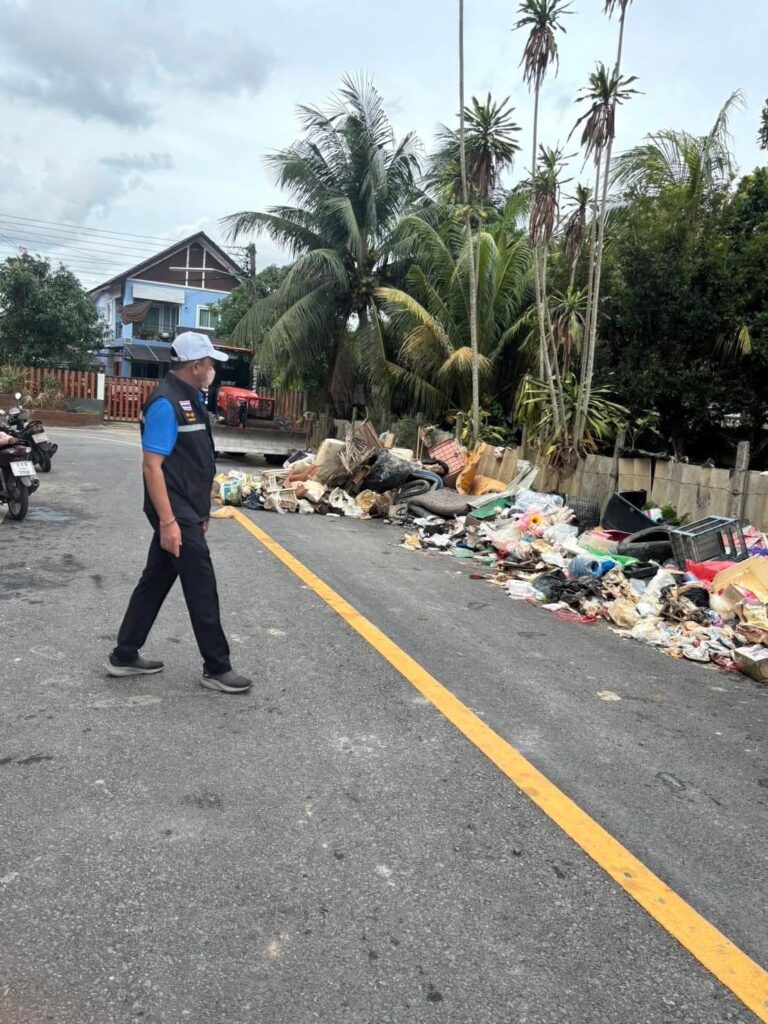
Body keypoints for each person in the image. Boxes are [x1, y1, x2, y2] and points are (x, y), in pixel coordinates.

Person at [107, 331, 252, 694]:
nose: (214, 368)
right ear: (196, 365)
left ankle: (124, 654)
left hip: (187, 509)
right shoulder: (165, 403)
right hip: (174, 510)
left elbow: (192, 461)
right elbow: (152, 466)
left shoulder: (190, 397)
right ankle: (217, 667)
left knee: (156, 580)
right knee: (201, 585)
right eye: (210, 363)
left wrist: (201, 514)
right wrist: (169, 521)